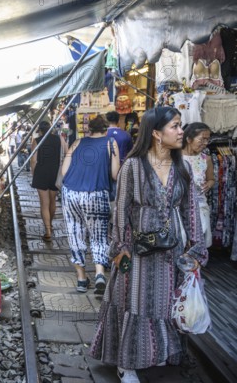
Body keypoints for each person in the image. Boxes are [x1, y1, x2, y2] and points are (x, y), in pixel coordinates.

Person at [90, 107, 208, 383]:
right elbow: (121, 209)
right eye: (175, 126)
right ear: (156, 133)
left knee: (166, 305)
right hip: (138, 251)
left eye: (181, 126)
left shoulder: (183, 167)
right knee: (135, 305)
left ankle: (160, 353)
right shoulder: (133, 166)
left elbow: (190, 210)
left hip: (172, 251)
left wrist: (196, 250)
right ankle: (127, 364)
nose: (181, 132)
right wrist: (120, 248)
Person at [60, 115, 120, 294]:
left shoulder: (77, 142)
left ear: (89, 129)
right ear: (106, 128)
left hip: (70, 192)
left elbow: (64, 171)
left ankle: (81, 279)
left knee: (75, 232)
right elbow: (115, 174)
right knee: (98, 235)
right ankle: (100, 274)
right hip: (96, 193)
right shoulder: (111, 142)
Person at [30, 121, 68, 241]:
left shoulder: (36, 140)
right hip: (55, 173)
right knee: (52, 202)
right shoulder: (60, 139)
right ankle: (50, 224)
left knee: (44, 203)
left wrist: (33, 173)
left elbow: (33, 160)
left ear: (40, 130)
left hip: (41, 172)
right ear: (51, 129)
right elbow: (67, 153)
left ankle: (47, 231)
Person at [182, 122, 214, 247]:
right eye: (202, 139)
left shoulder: (206, 159)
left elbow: (211, 179)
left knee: (199, 242)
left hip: (200, 205)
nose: (205, 143)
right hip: (180, 207)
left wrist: (209, 184)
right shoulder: (175, 157)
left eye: (207, 139)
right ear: (189, 139)